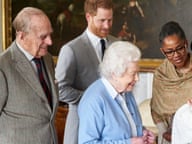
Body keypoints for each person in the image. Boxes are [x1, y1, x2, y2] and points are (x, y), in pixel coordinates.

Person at [55, 0, 118, 143]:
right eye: (102, 20)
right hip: (80, 127)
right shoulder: (71, 49)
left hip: (112, 129)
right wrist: (93, 98)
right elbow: (60, 89)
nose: (107, 26)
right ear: (88, 17)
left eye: (110, 20)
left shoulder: (117, 44)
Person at [78, 41, 155, 144]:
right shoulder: (93, 100)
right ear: (114, 74)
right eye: (133, 74)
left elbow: (125, 128)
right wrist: (129, 143)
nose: (137, 78)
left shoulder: (126, 90)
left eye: (138, 72)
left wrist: (143, 132)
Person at [0, 7, 58, 144]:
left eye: (50, 35)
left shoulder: (48, 59)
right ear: (22, 36)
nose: (50, 42)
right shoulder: (3, 66)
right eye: (43, 37)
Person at [150, 21, 192, 144]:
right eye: (169, 51)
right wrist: (167, 133)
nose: (176, 55)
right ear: (163, 51)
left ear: (186, 43)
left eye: (179, 48)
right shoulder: (160, 75)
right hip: (168, 136)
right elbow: (157, 111)